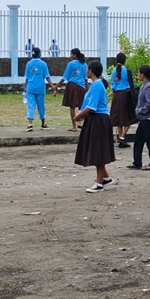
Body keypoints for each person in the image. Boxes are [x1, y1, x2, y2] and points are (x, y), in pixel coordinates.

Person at [73, 61, 116, 193]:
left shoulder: (97, 85)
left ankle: (99, 183)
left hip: (99, 120)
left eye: (87, 69)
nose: (86, 71)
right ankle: (106, 177)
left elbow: (92, 107)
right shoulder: (95, 85)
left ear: (91, 71)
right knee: (97, 149)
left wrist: (77, 116)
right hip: (95, 120)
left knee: (98, 151)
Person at [131, 65, 150, 170]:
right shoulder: (145, 85)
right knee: (139, 140)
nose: (138, 75)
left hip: (149, 118)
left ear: (143, 74)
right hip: (145, 118)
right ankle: (137, 162)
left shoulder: (148, 87)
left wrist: (141, 111)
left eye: (139, 73)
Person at [23, 47, 55, 131]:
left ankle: (30, 124)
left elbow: (27, 77)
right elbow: (47, 77)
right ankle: (43, 123)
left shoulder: (29, 64)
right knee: (41, 106)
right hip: (40, 88)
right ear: (39, 54)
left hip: (30, 87)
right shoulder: (43, 64)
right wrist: (53, 87)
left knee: (31, 106)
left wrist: (24, 88)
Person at [109, 52, 137, 148]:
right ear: (125, 61)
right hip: (125, 95)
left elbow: (112, 85)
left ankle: (120, 137)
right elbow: (131, 85)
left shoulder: (113, 72)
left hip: (116, 96)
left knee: (119, 118)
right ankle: (122, 137)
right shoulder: (127, 71)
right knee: (128, 117)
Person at [56, 48, 88, 131]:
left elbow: (64, 77)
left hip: (72, 86)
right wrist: (87, 88)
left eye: (71, 54)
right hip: (81, 87)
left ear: (74, 55)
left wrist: (56, 86)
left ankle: (74, 126)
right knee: (81, 106)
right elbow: (85, 78)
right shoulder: (84, 64)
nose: (70, 56)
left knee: (72, 107)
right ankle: (80, 122)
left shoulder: (71, 64)